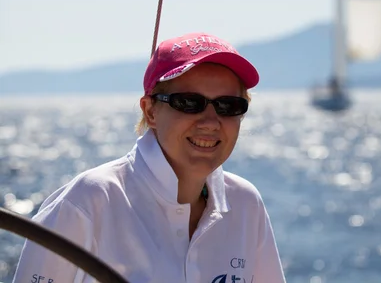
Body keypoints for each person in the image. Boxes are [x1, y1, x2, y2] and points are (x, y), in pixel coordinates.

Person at [12, 32, 287, 283]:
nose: (211, 122)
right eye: (190, 103)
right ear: (150, 111)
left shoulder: (246, 204)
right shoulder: (87, 202)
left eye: (229, 106)